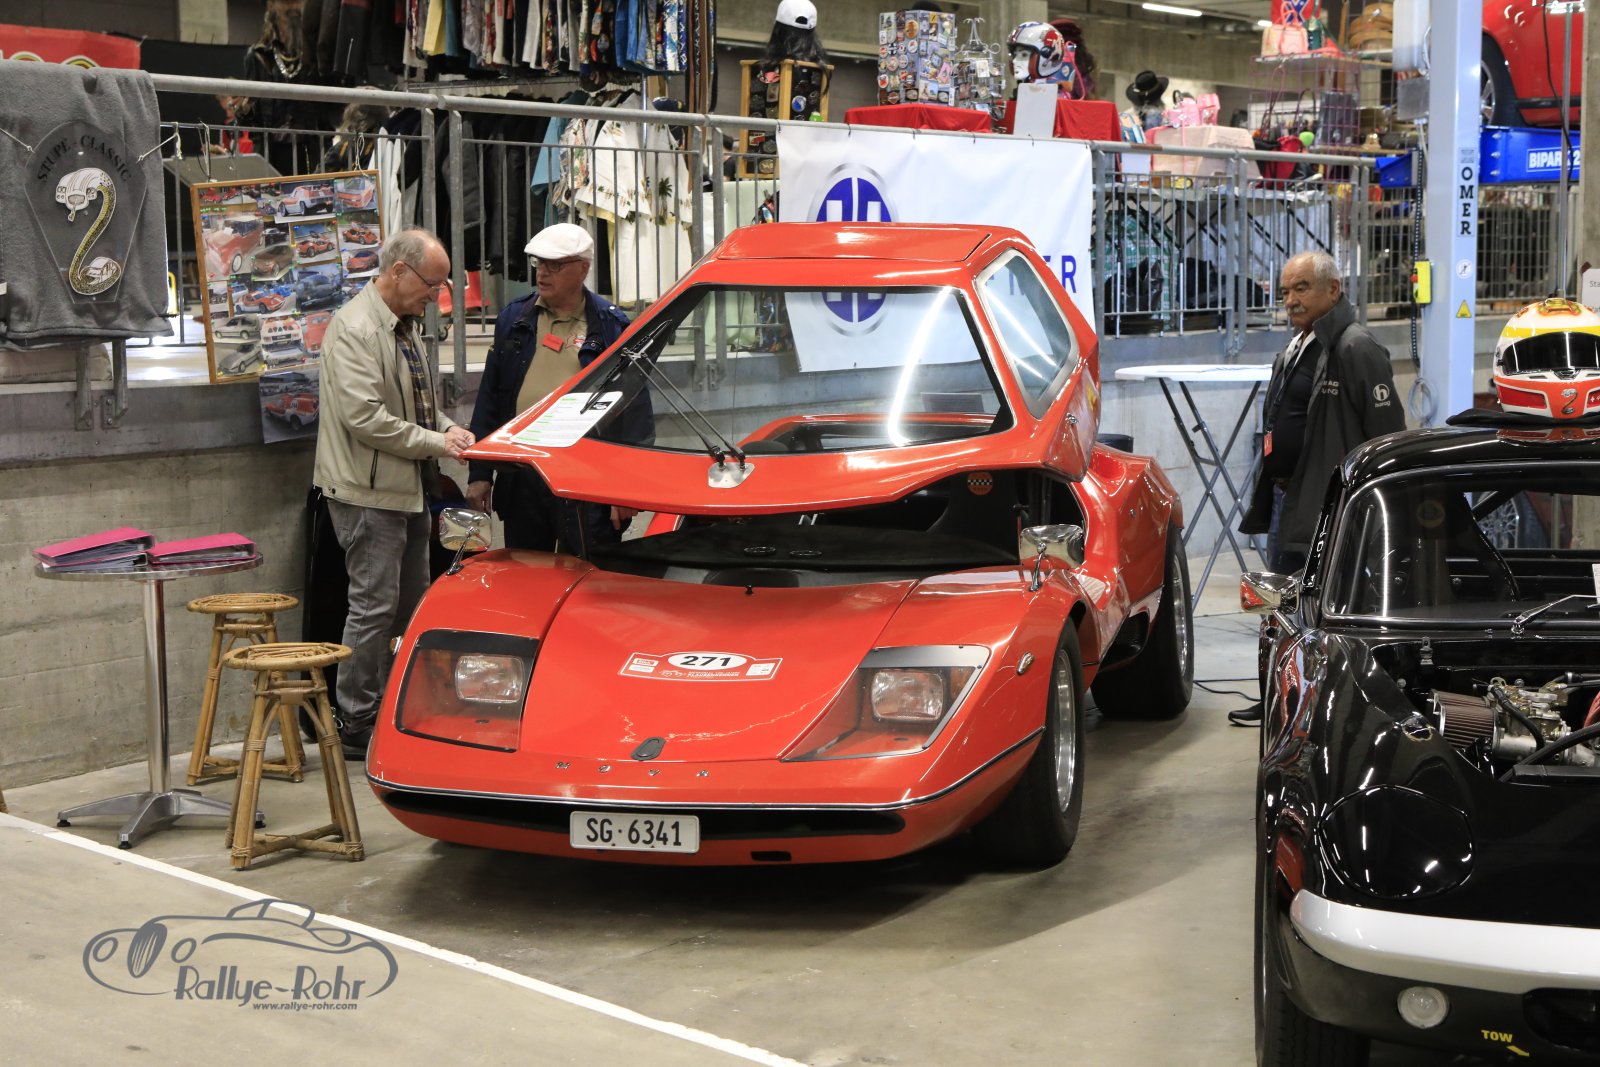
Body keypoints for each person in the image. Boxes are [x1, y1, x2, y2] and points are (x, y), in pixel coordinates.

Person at [314, 227, 474, 758]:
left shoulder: (403, 326)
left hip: (407, 488)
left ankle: (393, 708)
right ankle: (355, 718)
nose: (437, 295)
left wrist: (449, 429)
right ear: (399, 271)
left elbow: (415, 406)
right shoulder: (355, 329)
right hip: (367, 494)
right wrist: (438, 442)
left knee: (409, 606)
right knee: (373, 607)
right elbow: (366, 419)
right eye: (432, 283)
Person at [1230, 250, 1403, 725]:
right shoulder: (1299, 345)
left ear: (1334, 289)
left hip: (1328, 507)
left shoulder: (1355, 347)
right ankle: (1278, 700)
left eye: (1302, 288)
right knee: (1281, 603)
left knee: (1318, 607)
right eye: (1285, 291)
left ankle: (1314, 705)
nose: (1291, 300)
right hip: (1288, 498)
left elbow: (1387, 434)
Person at [465, 222, 644, 551]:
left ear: (583, 269)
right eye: (539, 263)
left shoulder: (612, 327)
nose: (543, 273)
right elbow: (490, 397)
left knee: (587, 571)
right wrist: (480, 473)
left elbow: (635, 413)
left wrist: (626, 487)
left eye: (555, 265)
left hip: (587, 479)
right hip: (523, 473)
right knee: (527, 570)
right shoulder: (514, 319)